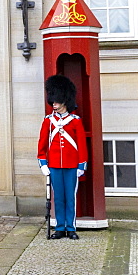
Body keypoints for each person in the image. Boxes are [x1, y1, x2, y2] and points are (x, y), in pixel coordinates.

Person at [37, 74, 87, 240]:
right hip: (54, 166)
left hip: (72, 166)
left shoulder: (75, 121)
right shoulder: (48, 121)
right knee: (58, 198)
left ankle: (71, 228)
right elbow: (42, 145)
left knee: (70, 198)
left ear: (65, 101)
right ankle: (59, 227)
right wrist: (43, 163)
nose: (54, 105)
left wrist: (81, 166)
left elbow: (81, 146)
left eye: (57, 102)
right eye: (53, 102)